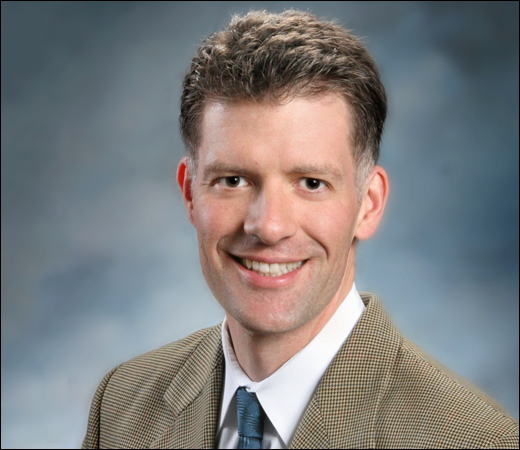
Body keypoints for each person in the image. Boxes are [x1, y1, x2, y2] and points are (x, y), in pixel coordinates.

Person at [81, 9, 519, 449]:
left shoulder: (477, 441)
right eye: (233, 180)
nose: (268, 226)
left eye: (311, 183)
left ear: (368, 205)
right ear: (190, 193)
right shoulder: (121, 406)